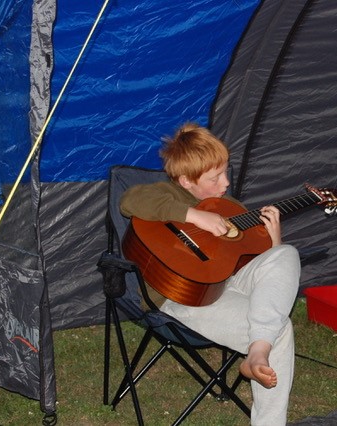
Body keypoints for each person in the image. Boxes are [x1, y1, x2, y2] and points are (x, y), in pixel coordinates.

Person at [119, 123, 301, 425]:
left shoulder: (229, 207)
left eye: (226, 172)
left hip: (231, 283)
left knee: (287, 253)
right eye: (215, 177)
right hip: (184, 296)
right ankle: (260, 353)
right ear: (186, 181)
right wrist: (195, 216)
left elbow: (261, 267)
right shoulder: (165, 193)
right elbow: (130, 201)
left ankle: (256, 351)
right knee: (279, 330)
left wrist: (274, 241)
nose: (226, 183)